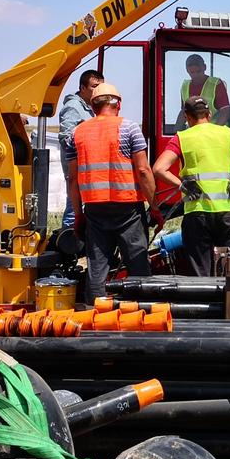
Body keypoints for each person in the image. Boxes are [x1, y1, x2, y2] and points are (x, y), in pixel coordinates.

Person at [153, 95, 230, 275]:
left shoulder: (182, 138)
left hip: (197, 214)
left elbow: (159, 169)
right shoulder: (229, 134)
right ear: (209, 114)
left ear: (187, 117)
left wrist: (183, 185)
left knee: (200, 274)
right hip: (227, 213)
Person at [72, 83, 156, 299]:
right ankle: (141, 310)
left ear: (93, 106)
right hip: (128, 208)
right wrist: (155, 207)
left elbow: (72, 178)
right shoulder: (129, 128)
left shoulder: (78, 132)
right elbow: (143, 171)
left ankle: (94, 310)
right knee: (137, 263)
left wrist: (78, 214)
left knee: (97, 267)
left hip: (94, 208)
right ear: (118, 104)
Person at [58, 68, 102, 228]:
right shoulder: (73, 107)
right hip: (76, 167)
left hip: (84, 166)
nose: (98, 91)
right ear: (83, 88)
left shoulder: (88, 108)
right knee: (74, 204)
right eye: (94, 86)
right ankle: (68, 235)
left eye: (100, 86)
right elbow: (66, 138)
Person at [175, 53, 230, 126]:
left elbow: (225, 111)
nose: (195, 75)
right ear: (187, 70)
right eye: (192, 72)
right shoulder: (185, 86)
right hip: (194, 130)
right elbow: (183, 112)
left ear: (205, 67)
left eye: (198, 72)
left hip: (214, 129)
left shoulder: (216, 84)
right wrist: (176, 130)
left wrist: (213, 130)